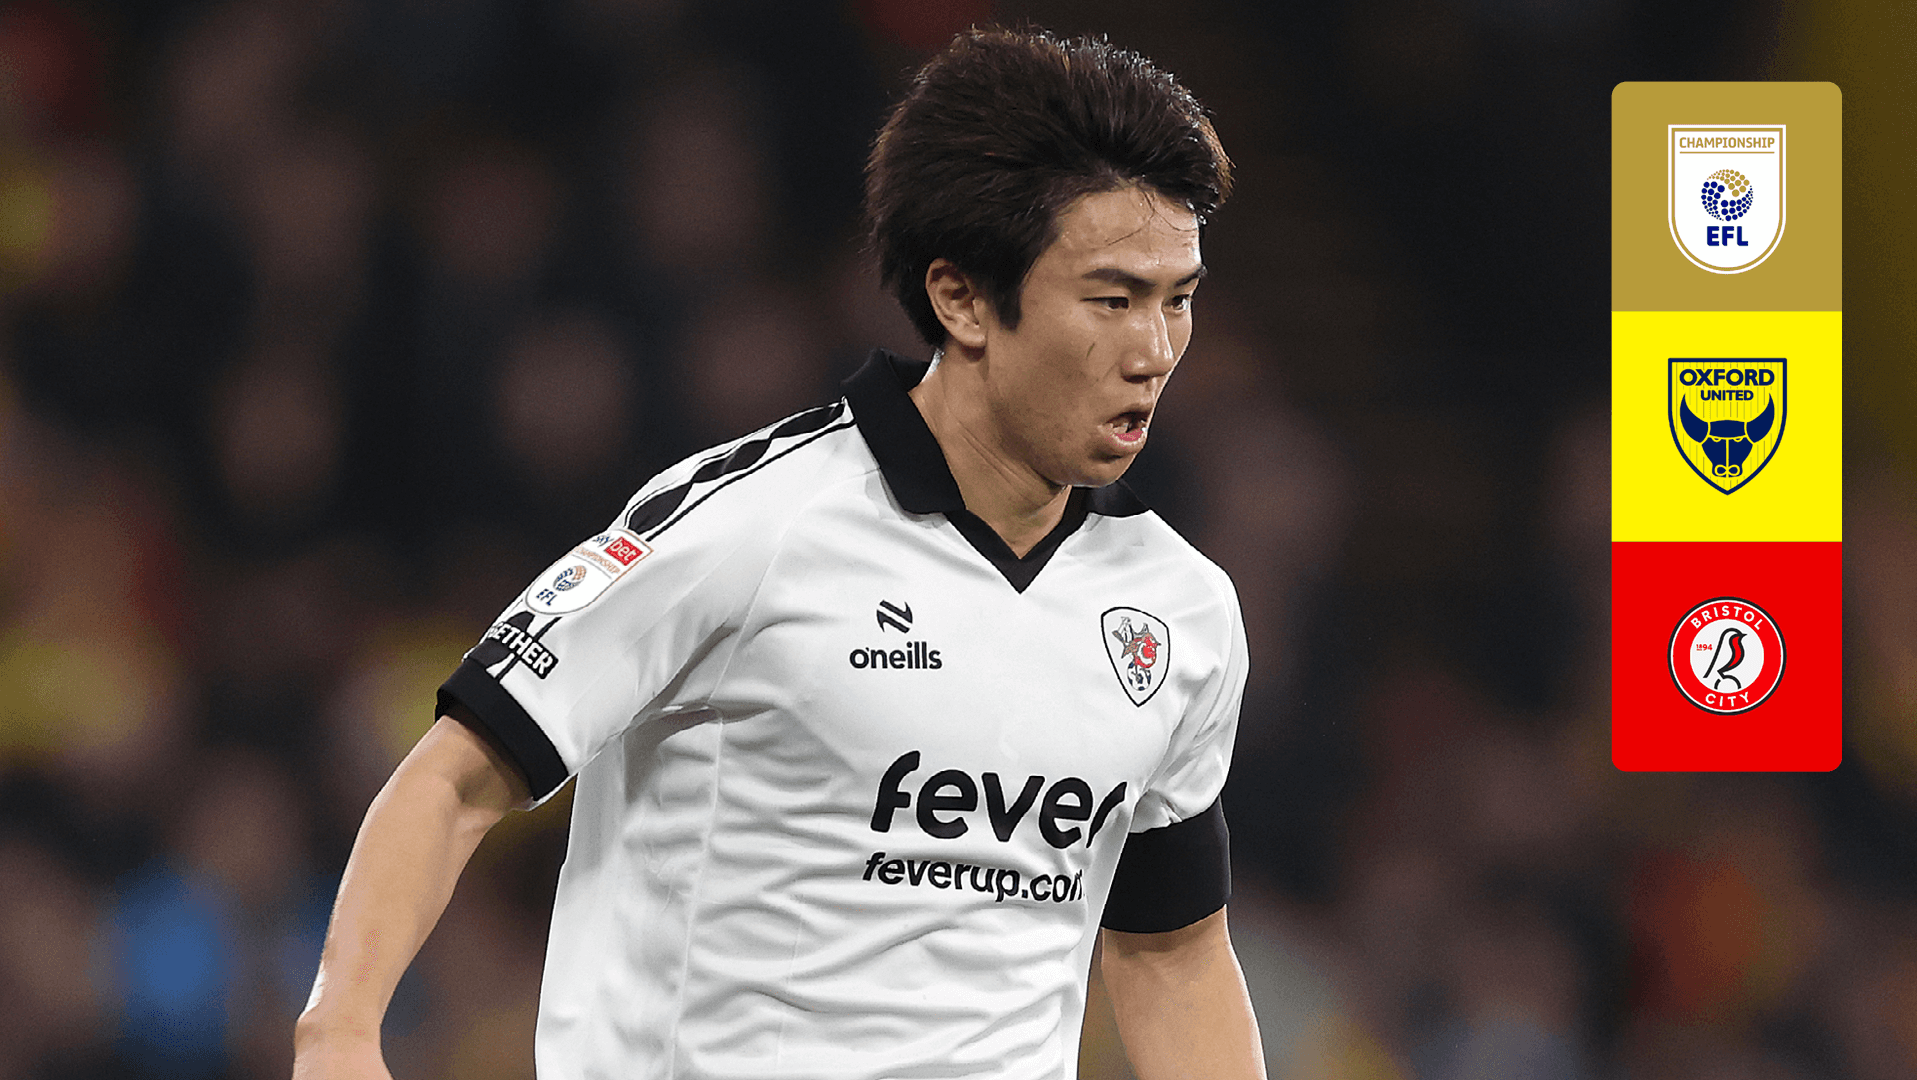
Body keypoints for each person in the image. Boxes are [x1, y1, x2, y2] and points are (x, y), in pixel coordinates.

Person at [295, 27, 1264, 1080]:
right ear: (962, 299)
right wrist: (339, 1032)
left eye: (1179, 300)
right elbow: (454, 779)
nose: (1154, 350)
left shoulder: (1182, 610)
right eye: (1113, 299)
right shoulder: (749, 525)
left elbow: (1172, 954)